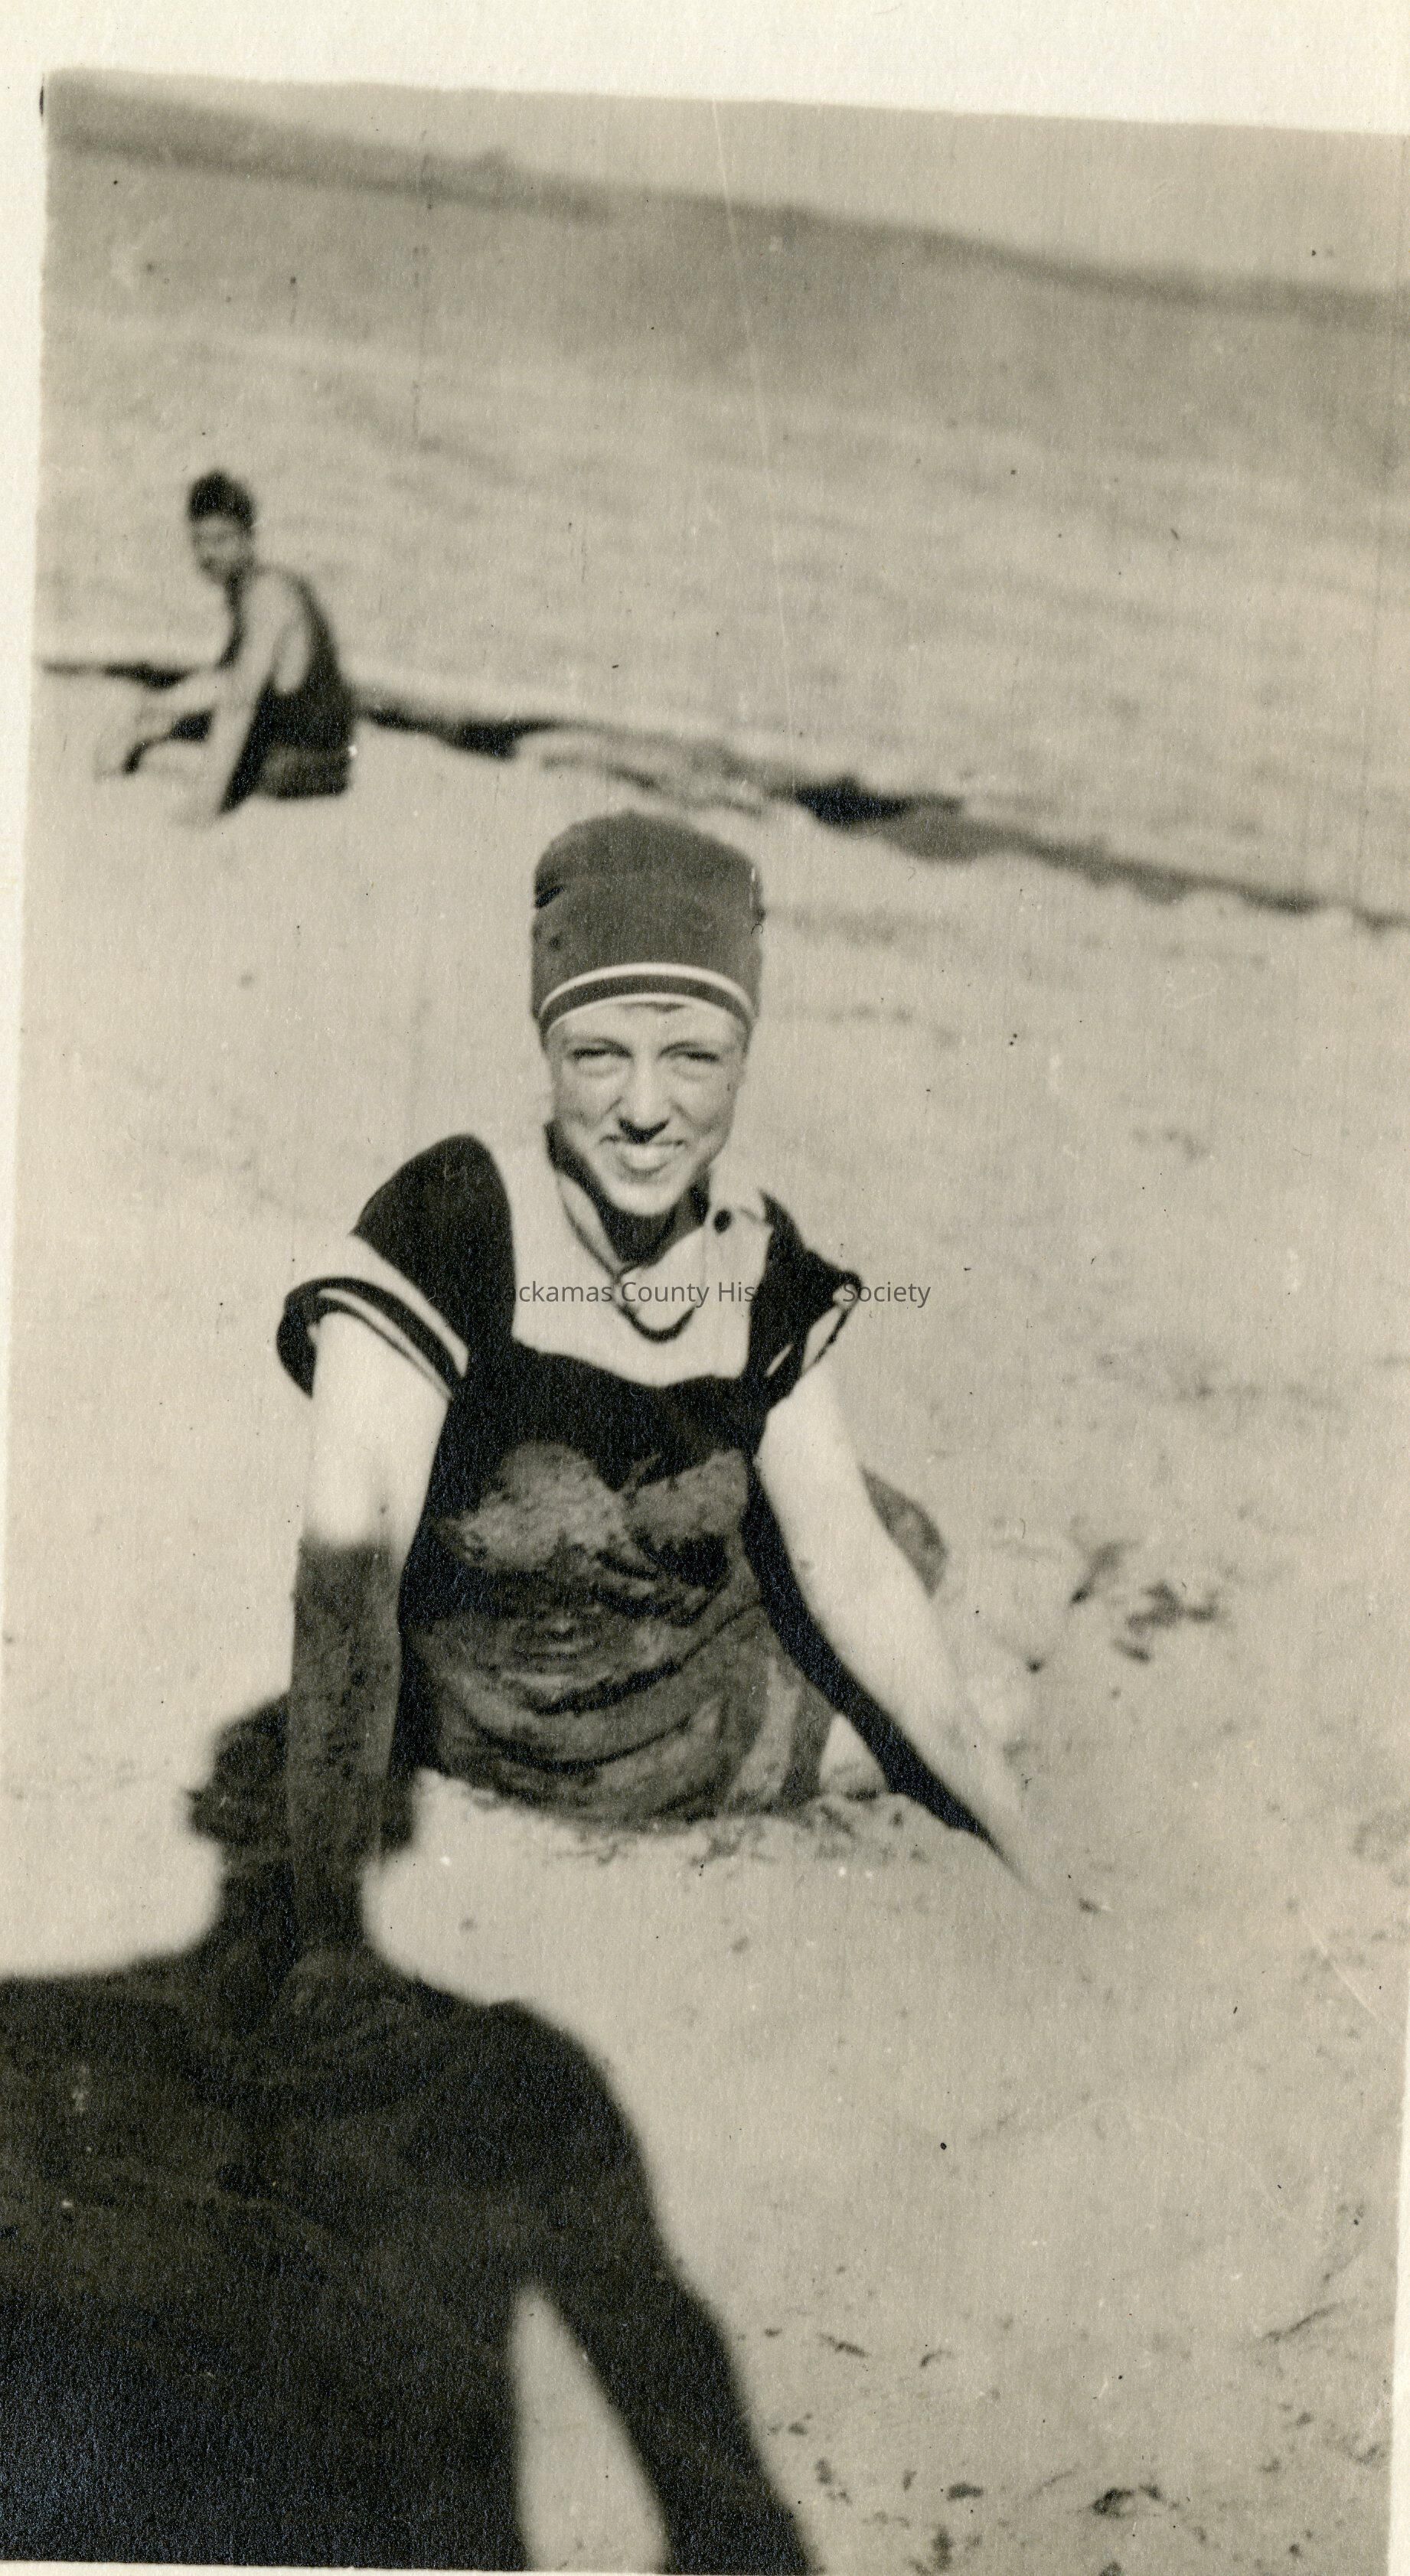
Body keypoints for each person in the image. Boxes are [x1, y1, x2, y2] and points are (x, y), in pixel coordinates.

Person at [271, 810, 1053, 1970]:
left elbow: (844, 1560)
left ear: (743, 1056)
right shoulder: (450, 1228)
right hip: (604, 1730)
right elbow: (344, 1590)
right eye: (599, 1055)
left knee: (885, 1541)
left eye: (693, 1057)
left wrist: (1030, 1852)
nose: (645, 1109)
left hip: (641, 1607)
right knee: (992, 1682)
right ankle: (1033, 1591)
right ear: (546, 1046)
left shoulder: (750, 1250)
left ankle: (1018, 1586)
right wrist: (327, 1944)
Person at [0, 1704, 812, 2572]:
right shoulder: (502, 2077)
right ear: (392, 1827)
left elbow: (706, 2464)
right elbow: (716, 2486)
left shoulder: (47, 2046)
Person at [93, 470, 355, 820]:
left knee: (156, 755)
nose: (207, 553)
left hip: (310, 757)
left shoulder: (268, 596)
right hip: (288, 734)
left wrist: (204, 804)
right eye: (199, 541)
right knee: (149, 729)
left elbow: (239, 701)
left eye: (221, 539)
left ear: (249, 536)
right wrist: (157, 705)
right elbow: (226, 678)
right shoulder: (247, 589)